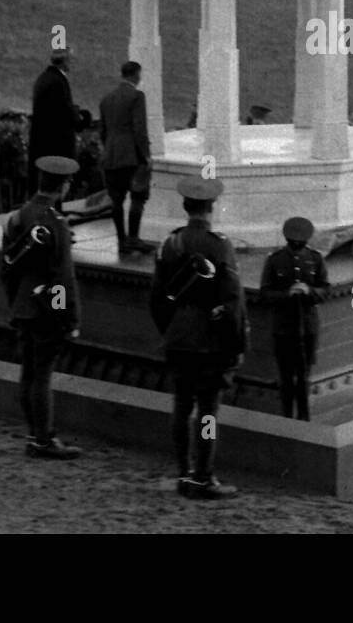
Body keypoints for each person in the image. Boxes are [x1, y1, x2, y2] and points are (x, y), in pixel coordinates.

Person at [150, 176, 247, 500]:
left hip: (178, 338)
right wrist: (236, 344)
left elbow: (157, 299)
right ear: (211, 208)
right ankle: (203, 476)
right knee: (207, 411)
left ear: (185, 207)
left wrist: (172, 329)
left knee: (180, 406)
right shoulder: (219, 245)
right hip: (210, 341)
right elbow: (232, 300)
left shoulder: (170, 243)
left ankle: (182, 471)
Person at [1, 155, 83, 459]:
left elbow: (7, 268)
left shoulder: (18, 217)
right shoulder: (55, 223)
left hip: (24, 306)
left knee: (29, 373)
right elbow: (62, 278)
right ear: (62, 187)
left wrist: (16, 303)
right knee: (43, 376)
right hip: (47, 310)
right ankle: (44, 439)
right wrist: (68, 317)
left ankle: (33, 434)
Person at [259, 216, 329, 421]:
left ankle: (304, 418)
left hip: (307, 327)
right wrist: (286, 294)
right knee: (286, 378)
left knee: (304, 377)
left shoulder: (316, 259)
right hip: (284, 328)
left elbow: (325, 289)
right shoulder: (275, 260)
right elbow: (265, 294)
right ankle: (287, 417)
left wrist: (309, 291)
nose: (297, 245)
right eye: (293, 241)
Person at [99, 61, 152, 259]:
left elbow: (103, 131)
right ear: (136, 75)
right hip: (132, 155)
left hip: (111, 156)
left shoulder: (106, 99)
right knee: (138, 197)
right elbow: (139, 129)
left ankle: (121, 241)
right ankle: (133, 238)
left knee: (116, 200)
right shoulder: (137, 96)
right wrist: (146, 155)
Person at [29, 49, 78, 186]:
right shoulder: (59, 81)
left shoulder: (43, 78)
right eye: (71, 59)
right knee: (56, 184)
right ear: (65, 61)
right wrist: (79, 118)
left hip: (43, 143)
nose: (72, 63)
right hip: (56, 144)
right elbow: (64, 113)